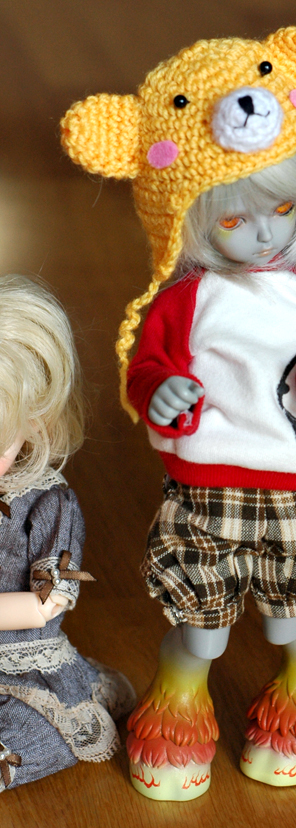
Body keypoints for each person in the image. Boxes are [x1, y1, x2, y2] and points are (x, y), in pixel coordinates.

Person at [61, 27, 296, 797]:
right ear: (187, 220)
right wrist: (160, 391)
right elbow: (149, 368)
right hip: (203, 498)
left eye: (284, 210)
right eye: (233, 220)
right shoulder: (187, 302)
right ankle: (177, 713)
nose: (265, 235)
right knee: (199, 632)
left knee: (291, 622)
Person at [0, 275, 134, 791]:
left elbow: (48, 600)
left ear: (33, 425)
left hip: (23, 665)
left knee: (28, 736)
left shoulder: (46, 503)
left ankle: (91, 690)